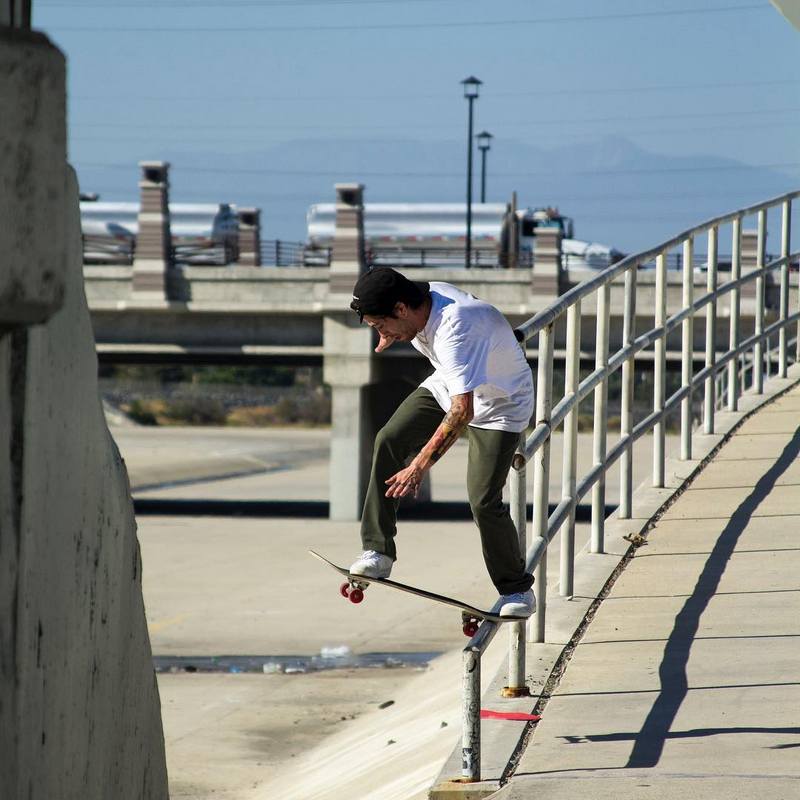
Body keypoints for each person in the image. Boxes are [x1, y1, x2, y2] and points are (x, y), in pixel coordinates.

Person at [347, 267, 536, 617]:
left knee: (483, 500)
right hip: (448, 386)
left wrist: (418, 466)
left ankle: (517, 592)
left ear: (401, 309)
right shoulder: (422, 302)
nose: (381, 333)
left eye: (381, 325)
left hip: (499, 403)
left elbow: (462, 412)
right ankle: (378, 551)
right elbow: (455, 393)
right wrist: (389, 333)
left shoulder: (454, 327)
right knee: (389, 439)